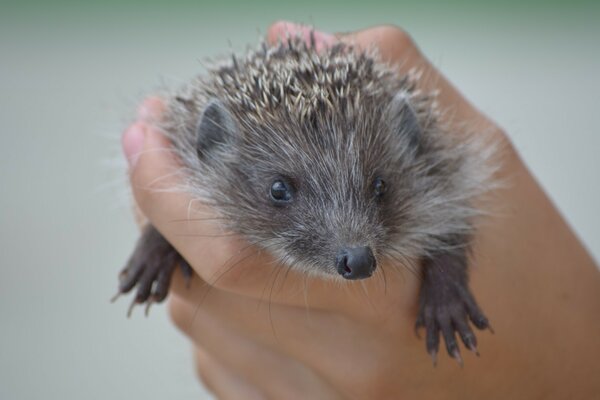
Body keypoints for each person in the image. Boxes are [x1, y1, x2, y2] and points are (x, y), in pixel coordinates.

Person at [121, 22, 600, 399]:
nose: (355, 243)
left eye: (377, 190)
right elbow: (175, 201)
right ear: (213, 147)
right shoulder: (207, 169)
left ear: (406, 143)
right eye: (282, 192)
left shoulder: (425, 176)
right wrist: (159, 241)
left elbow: (449, 222)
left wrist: (446, 287)